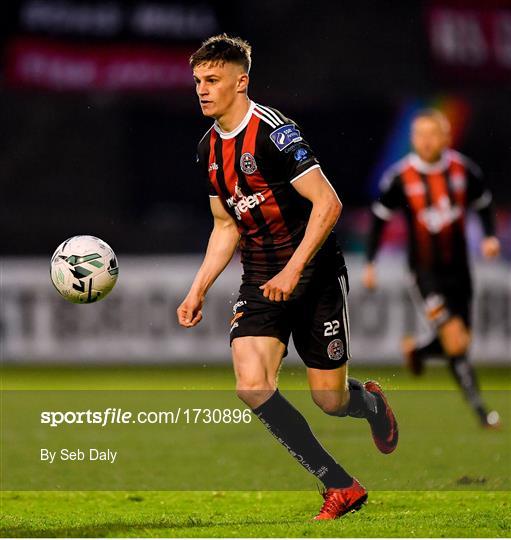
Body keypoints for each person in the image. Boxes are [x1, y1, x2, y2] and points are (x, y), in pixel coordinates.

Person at [177, 34, 398, 520]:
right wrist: (197, 289)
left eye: (213, 80)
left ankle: (371, 404)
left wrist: (294, 268)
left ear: (242, 81)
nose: (202, 90)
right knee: (251, 384)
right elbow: (224, 225)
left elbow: (329, 203)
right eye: (197, 81)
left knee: (330, 400)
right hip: (259, 281)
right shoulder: (209, 150)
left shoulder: (275, 133)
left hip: (313, 276)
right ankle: (338, 484)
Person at [362, 109, 501, 428]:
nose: (425, 141)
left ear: (446, 137)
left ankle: (420, 350)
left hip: (460, 270)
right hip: (424, 272)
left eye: (432, 134)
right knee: (454, 338)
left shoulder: (463, 170)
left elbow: (484, 205)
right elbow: (379, 221)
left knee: (461, 341)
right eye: (419, 135)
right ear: (412, 139)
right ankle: (481, 411)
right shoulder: (400, 177)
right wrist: (371, 262)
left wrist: (490, 237)